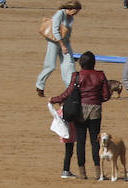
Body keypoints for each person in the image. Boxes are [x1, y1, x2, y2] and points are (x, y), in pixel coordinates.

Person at [48, 51, 113, 181]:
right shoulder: (100, 75)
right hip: (95, 109)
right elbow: (106, 95)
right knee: (96, 142)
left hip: (80, 111)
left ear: (81, 63)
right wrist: (96, 100)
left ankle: (82, 172)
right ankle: (98, 172)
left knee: (81, 142)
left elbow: (68, 93)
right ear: (94, 63)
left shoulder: (77, 76)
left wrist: (54, 99)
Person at [36, 0, 81, 95]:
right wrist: (62, 45)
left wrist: (67, 45)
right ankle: (40, 85)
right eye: (75, 11)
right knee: (50, 65)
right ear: (70, 8)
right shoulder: (59, 14)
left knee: (70, 64)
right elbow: (55, 31)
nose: (76, 13)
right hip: (54, 41)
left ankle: (70, 88)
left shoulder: (71, 18)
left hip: (65, 42)